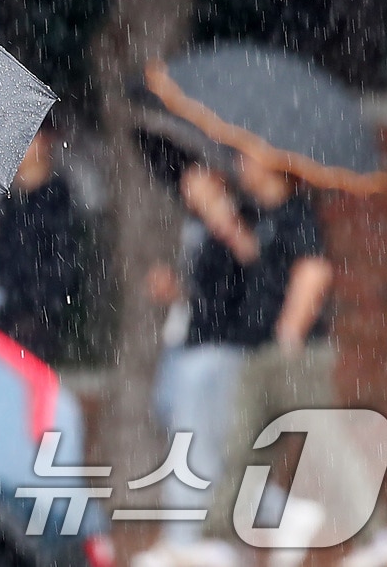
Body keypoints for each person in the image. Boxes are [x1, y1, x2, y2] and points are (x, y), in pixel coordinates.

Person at [196, 152, 387, 567]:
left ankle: (377, 536)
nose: (241, 165)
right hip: (260, 353)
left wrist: (290, 331)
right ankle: (221, 538)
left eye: (248, 157)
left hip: (294, 355)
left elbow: (315, 270)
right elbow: (263, 263)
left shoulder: (297, 212)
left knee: (324, 444)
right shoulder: (262, 214)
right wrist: (230, 228)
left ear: (273, 164)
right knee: (245, 447)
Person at [136, 165, 283, 567]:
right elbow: (207, 291)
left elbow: (262, 271)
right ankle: (255, 524)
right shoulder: (196, 226)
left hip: (223, 350)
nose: (185, 184)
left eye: (193, 173)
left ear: (216, 176)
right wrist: (176, 290)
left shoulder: (243, 215)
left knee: (197, 445)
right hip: (192, 345)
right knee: (206, 443)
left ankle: (187, 538)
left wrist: (230, 225)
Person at [0, 121, 81, 364]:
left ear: (44, 141)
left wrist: (35, 308)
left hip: (30, 321)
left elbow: (59, 264)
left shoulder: (55, 199)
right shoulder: (7, 201)